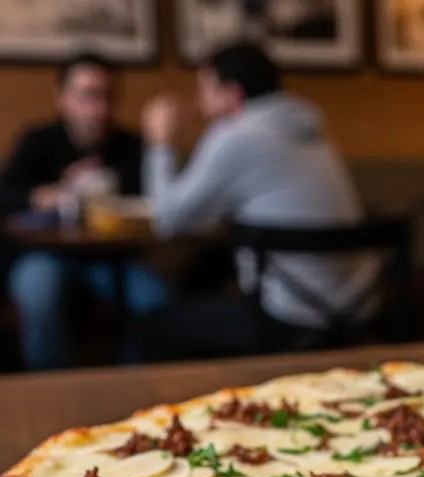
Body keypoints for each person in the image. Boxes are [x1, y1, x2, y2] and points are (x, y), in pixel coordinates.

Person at [133, 43, 374, 362]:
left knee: (146, 330)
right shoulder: (313, 129)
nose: (198, 102)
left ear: (231, 95)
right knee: (201, 275)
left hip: (290, 316)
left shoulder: (236, 134)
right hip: (355, 305)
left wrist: (160, 143)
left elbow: (169, 219)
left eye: (204, 89)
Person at [0, 53, 168, 370]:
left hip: (114, 257)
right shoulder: (39, 140)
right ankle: (51, 387)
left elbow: (156, 204)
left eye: (108, 96)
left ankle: (130, 384)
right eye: (88, 96)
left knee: (154, 298)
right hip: (46, 254)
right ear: (62, 98)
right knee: (39, 292)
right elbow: (5, 193)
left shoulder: (129, 145)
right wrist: (40, 196)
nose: (100, 109)